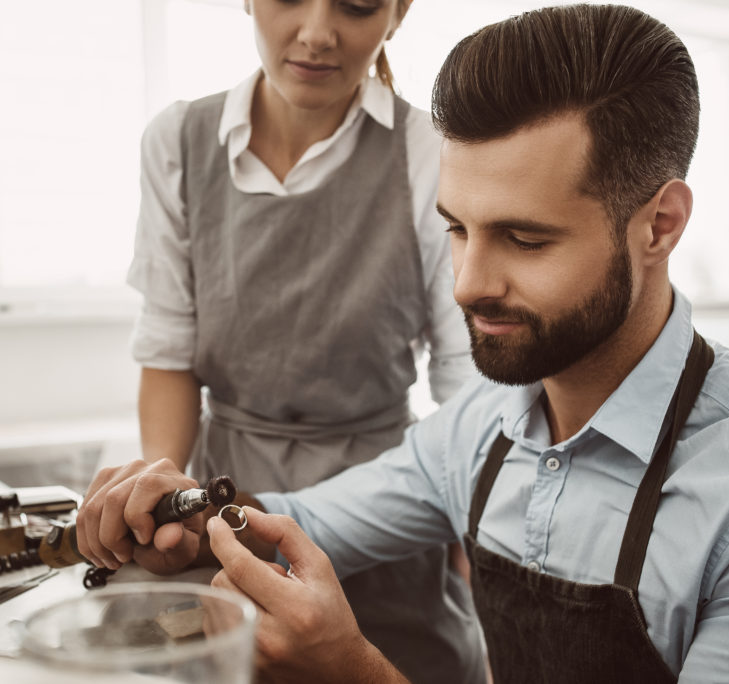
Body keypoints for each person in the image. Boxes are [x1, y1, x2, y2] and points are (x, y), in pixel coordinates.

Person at [79, 3, 729, 681]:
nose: (467, 284)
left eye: (525, 239)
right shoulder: (477, 431)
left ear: (660, 225)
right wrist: (184, 511)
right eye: (457, 229)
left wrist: (350, 667)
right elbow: (305, 519)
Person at [120, 0, 482, 682]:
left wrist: (484, 525)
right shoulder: (178, 141)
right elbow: (169, 355)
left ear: (398, 12)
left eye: (356, 6)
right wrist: (163, 509)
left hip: (386, 505)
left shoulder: (430, 152)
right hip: (226, 501)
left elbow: (469, 386)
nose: (317, 34)